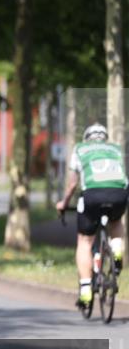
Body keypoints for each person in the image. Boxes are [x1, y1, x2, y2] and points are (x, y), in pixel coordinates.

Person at [55, 123, 129, 306]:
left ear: (87, 138)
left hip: (92, 196)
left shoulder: (80, 149)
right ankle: (117, 250)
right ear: (105, 137)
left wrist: (64, 203)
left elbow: (72, 184)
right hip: (119, 194)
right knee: (116, 222)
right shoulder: (115, 149)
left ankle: (86, 289)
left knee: (85, 241)